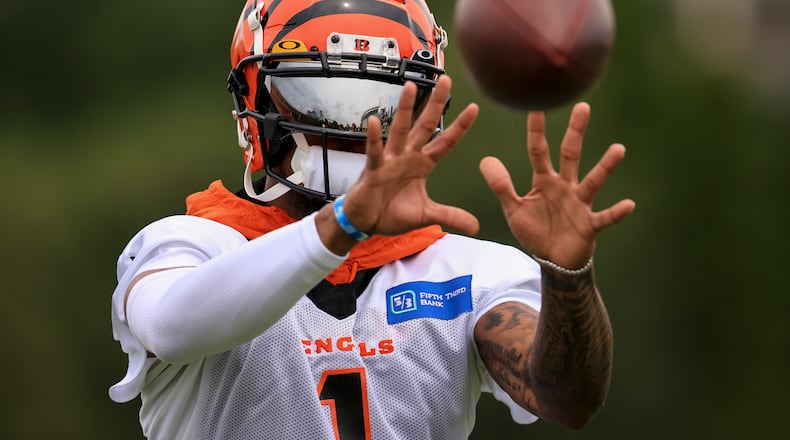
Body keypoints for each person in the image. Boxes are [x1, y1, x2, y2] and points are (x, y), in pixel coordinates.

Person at [108, 0, 636, 438]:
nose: (354, 130)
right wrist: (343, 225)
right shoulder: (190, 244)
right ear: (258, 104)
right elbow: (173, 327)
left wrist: (570, 278)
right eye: (318, 96)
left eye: (381, 102)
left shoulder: (466, 270)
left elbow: (568, 400)